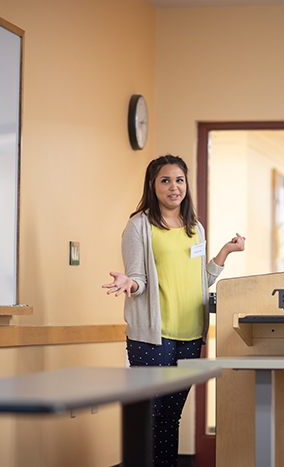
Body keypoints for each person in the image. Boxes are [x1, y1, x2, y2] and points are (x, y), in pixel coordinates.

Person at [103, 154, 245, 467]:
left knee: (171, 418)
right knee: (150, 415)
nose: (173, 187)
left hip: (191, 335)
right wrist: (130, 283)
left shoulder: (196, 228)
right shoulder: (139, 226)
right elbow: (138, 278)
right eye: (165, 180)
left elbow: (201, 281)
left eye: (179, 180)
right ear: (152, 186)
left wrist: (224, 252)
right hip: (154, 337)